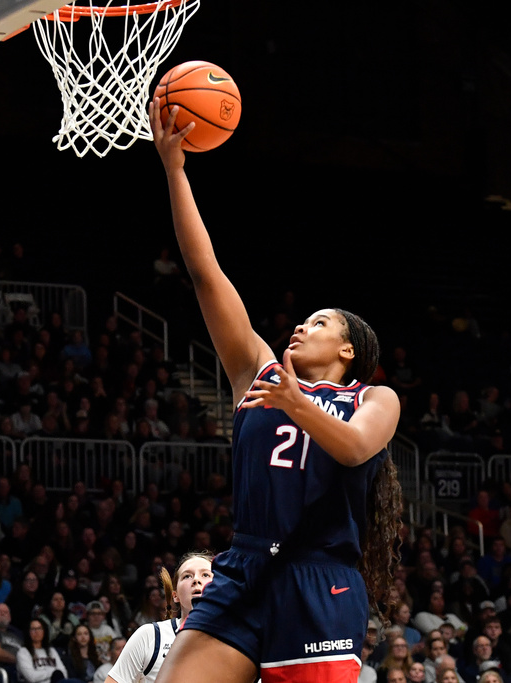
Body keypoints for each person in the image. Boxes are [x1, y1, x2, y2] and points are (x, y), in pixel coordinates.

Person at [149, 97, 402, 683]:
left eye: (318, 323)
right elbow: (205, 271)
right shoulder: (256, 371)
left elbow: (355, 447)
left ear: (348, 351)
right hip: (240, 569)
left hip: (318, 578)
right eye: (301, 320)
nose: (299, 327)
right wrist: (175, 172)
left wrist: (297, 404)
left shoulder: (374, 398)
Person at [105, 551, 213, 683]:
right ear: (175, 595)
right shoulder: (150, 636)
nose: (196, 580)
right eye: (187, 576)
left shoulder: (236, 640)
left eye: (205, 574)